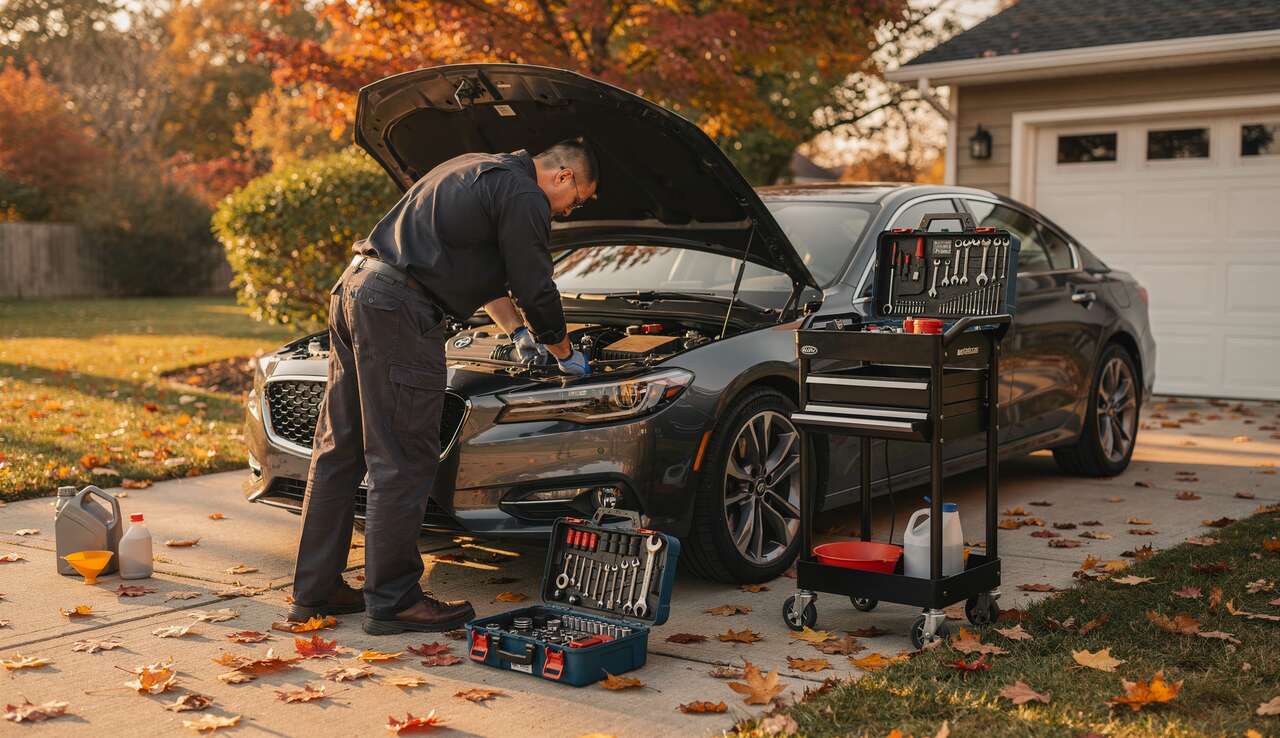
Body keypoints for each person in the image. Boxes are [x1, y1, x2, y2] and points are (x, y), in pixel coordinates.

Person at [289, 139, 600, 634]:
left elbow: (486, 280)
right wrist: (563, 352)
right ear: (563, 176)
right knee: (403, 457)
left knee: (339, 450)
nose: (567, 212)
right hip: (398, 310)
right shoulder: (525, 196)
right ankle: (393, 601)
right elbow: (534, 285)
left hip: (356, 290)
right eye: (577, 200)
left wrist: (516, 332)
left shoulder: (473, 166)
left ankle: (315, 590)